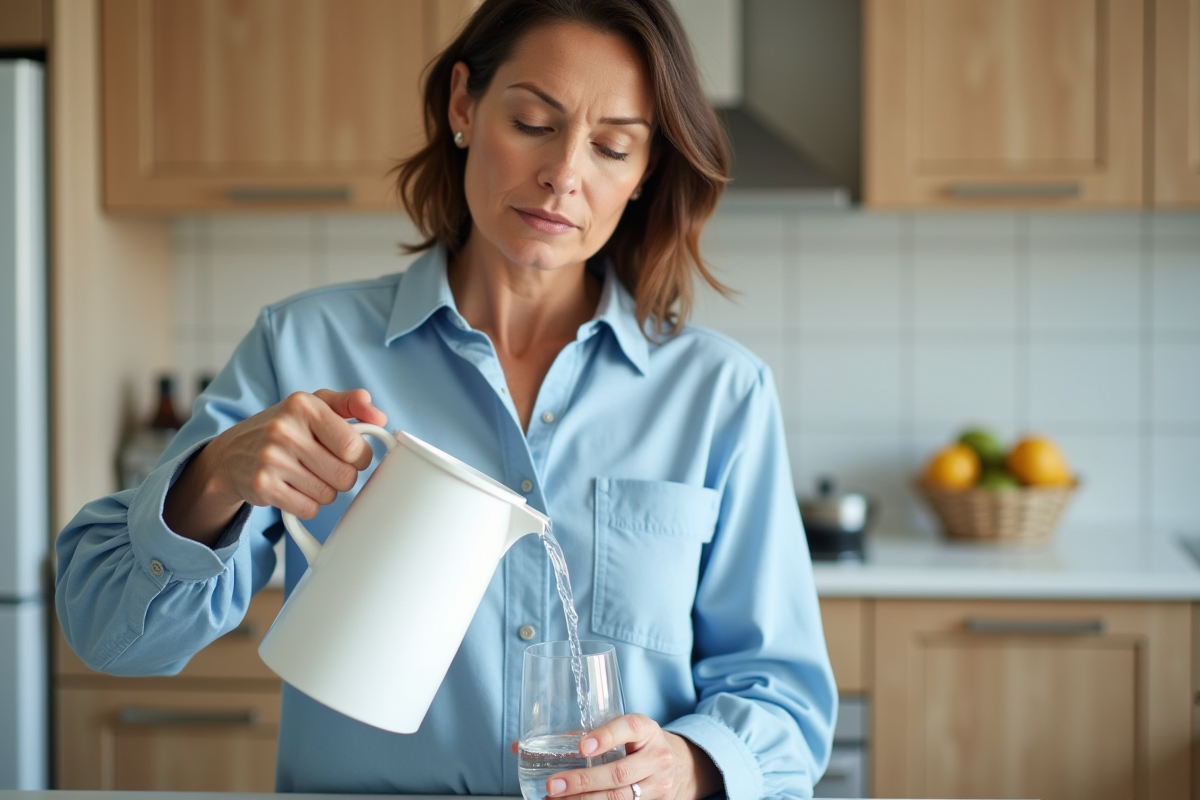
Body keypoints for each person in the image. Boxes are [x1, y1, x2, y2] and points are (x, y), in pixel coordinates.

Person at [55, 0, 836, 797]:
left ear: (643, 175)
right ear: (465, 104)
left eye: (611, 146)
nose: (565, 173)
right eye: (534, 122)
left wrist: (691, 768)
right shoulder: (301, 347)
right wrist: (215, 478)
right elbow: (111, 637)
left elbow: (787, 706)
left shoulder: (720, 394)